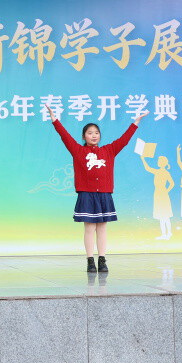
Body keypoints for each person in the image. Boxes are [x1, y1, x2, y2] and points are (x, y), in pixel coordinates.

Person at [46, 104, 145, 273]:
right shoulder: (78, 150)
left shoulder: (109, 150)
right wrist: (54, 119)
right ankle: (90, 260)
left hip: (104, 194)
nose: (94, 135)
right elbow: (65, 136)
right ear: (84, 136)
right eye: (90, 133)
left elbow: (124, 140)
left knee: (102, 228)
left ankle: (102, 260)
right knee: (89, 228)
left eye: (96, 133)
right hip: (87, 194)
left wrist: (135, 123)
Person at [141, 154, 175, 241]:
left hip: (162, 194)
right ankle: (164, 234)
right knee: (161, 216)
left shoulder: (165, 172)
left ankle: (169, 233)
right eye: (158, 161)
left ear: (164, 163)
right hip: (158, 194)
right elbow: (148, 168)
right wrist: (143, 159)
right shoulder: (157, 171)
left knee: (165, 215)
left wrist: (166, 190)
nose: (158, 162)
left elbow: (172, 183)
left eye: (160, 161)